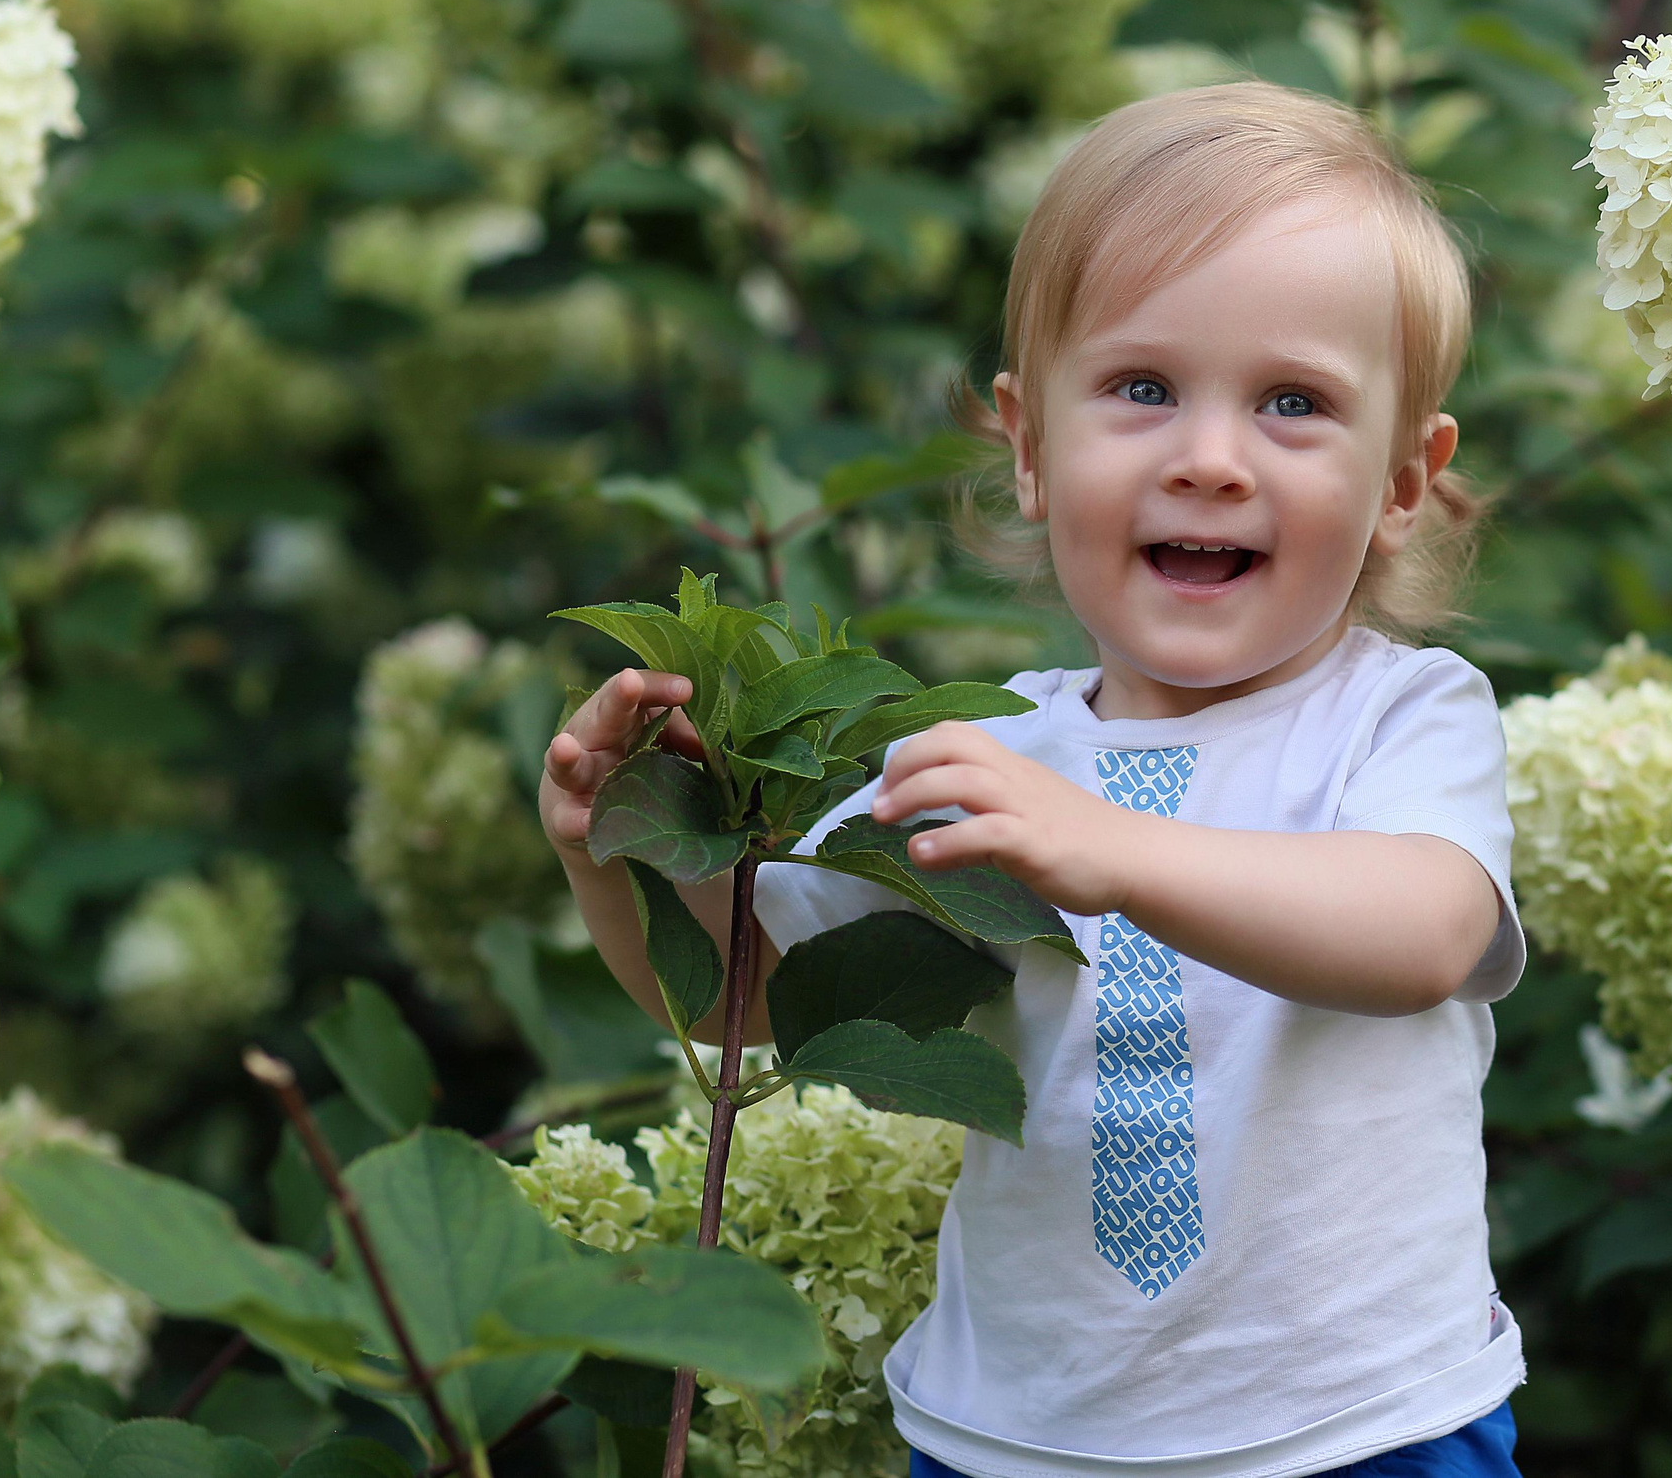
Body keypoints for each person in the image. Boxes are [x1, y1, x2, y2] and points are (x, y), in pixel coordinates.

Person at [540, 82, 1527, 1477]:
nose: (1209, 460)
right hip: (1020, 1435)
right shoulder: (985, 764)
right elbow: (754, 999)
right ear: (1029, 444)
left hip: (1358, 1428)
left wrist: (1112, 853)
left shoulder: (1398, 721)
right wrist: (621, 847)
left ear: (1404, 480)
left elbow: (1425, 932)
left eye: (1294, 404)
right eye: (1142, 389)